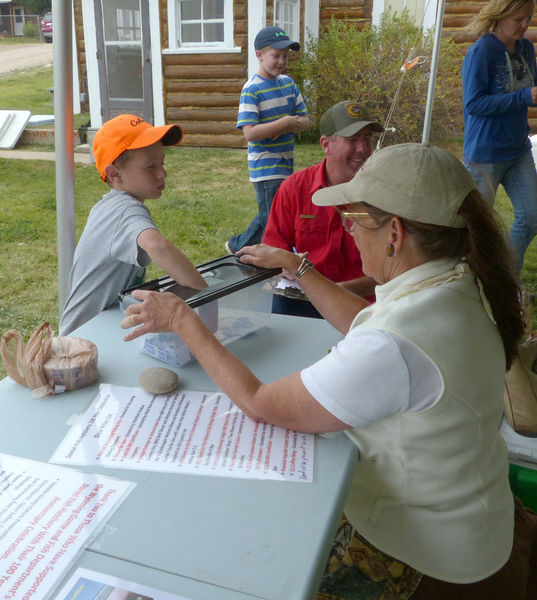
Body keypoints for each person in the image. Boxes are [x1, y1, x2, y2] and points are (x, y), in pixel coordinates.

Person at [122, 143, 537, 599]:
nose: (351, 233)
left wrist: (183, 319)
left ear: (394, 233)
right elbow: (367, 319)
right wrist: (296, 266)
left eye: (354, 220)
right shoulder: (461, 280)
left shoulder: (397, 343)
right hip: (478, 528)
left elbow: (262, 403)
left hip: (431, 561)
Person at [59, 114, 206, 335]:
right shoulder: (125, 211)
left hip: (103, 326)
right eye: (150, 167)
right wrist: (205, 292)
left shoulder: (111, 205)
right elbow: (157, 246)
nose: (162, 173)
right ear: (114, 173)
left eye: (162, 163)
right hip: (84, 338)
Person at [263, 100, 382, 317]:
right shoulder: (294, 189)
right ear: (325, 144)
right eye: (352, 140)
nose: (363, 149)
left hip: (363, 306)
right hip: (305, 299)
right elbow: (273, 252)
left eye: (367, 139)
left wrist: (338, 290)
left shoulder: (383, 193)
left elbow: (396, 271)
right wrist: (285, 268)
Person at [462, 0, 537, 274]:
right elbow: (473, 104)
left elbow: (530, 90)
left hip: (518, 150)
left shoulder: (526, 48)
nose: (525, 25)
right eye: (518, 18)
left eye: (529, 18)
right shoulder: (481, 52)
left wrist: (530, 96)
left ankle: (504, 277)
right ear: (501, 15)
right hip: (485, 154)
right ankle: (473, 285)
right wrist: (523, 97)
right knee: (477, 231)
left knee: (532, 217)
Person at [225, 25, 309, 254]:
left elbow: (305, 120)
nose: (281, 61)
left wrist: (292, 123)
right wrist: (286, 123)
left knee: (276, 213)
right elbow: (250, 132)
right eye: (276, 56)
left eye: (285, 56)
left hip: (286, 162)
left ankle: (243, 246)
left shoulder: (289, 84)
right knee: (271, 216)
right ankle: (255, 251)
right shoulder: (252, 90)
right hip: (265, 166)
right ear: (259, 55)